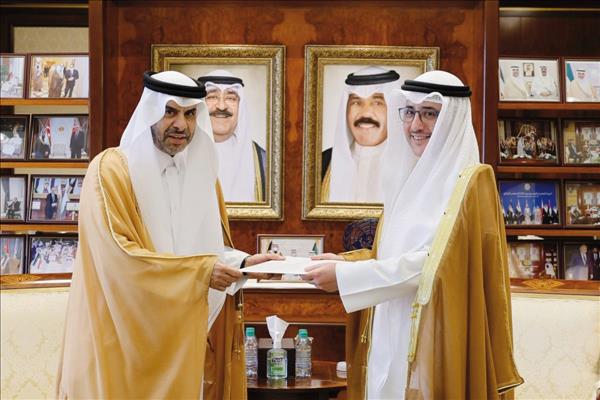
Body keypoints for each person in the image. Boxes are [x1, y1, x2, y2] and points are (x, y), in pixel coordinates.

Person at [56, 70, 281, 399]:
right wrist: (201, 272)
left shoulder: (203, 175)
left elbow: (200, 249)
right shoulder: (111, 172)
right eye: (170, 112)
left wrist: (244, 263)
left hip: (180, 342)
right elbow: (118, 258)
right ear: (149, 112)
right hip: (121, 342)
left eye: (190, 114)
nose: (181, 125)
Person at [305, 70, 523, 398]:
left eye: (429, 114)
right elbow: (394, 255)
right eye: (409, 112)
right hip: (388, 327)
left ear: (451, 118)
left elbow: (434, 265)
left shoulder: (470, 183)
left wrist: (347, 276)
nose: (415, 125)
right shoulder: (407, 180)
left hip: (437, 338)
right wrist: (346, 263)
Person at [321, 67, 401, 203]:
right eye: (356, 102)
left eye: (377, 103)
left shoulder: (412, 165)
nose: (366, 113)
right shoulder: (322, 162)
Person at [196, 70, 266, 202]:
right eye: (212, 97)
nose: (221, 106)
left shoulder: (263, 162)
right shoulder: (180, 155)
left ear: (241, 106)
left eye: (231, 98)